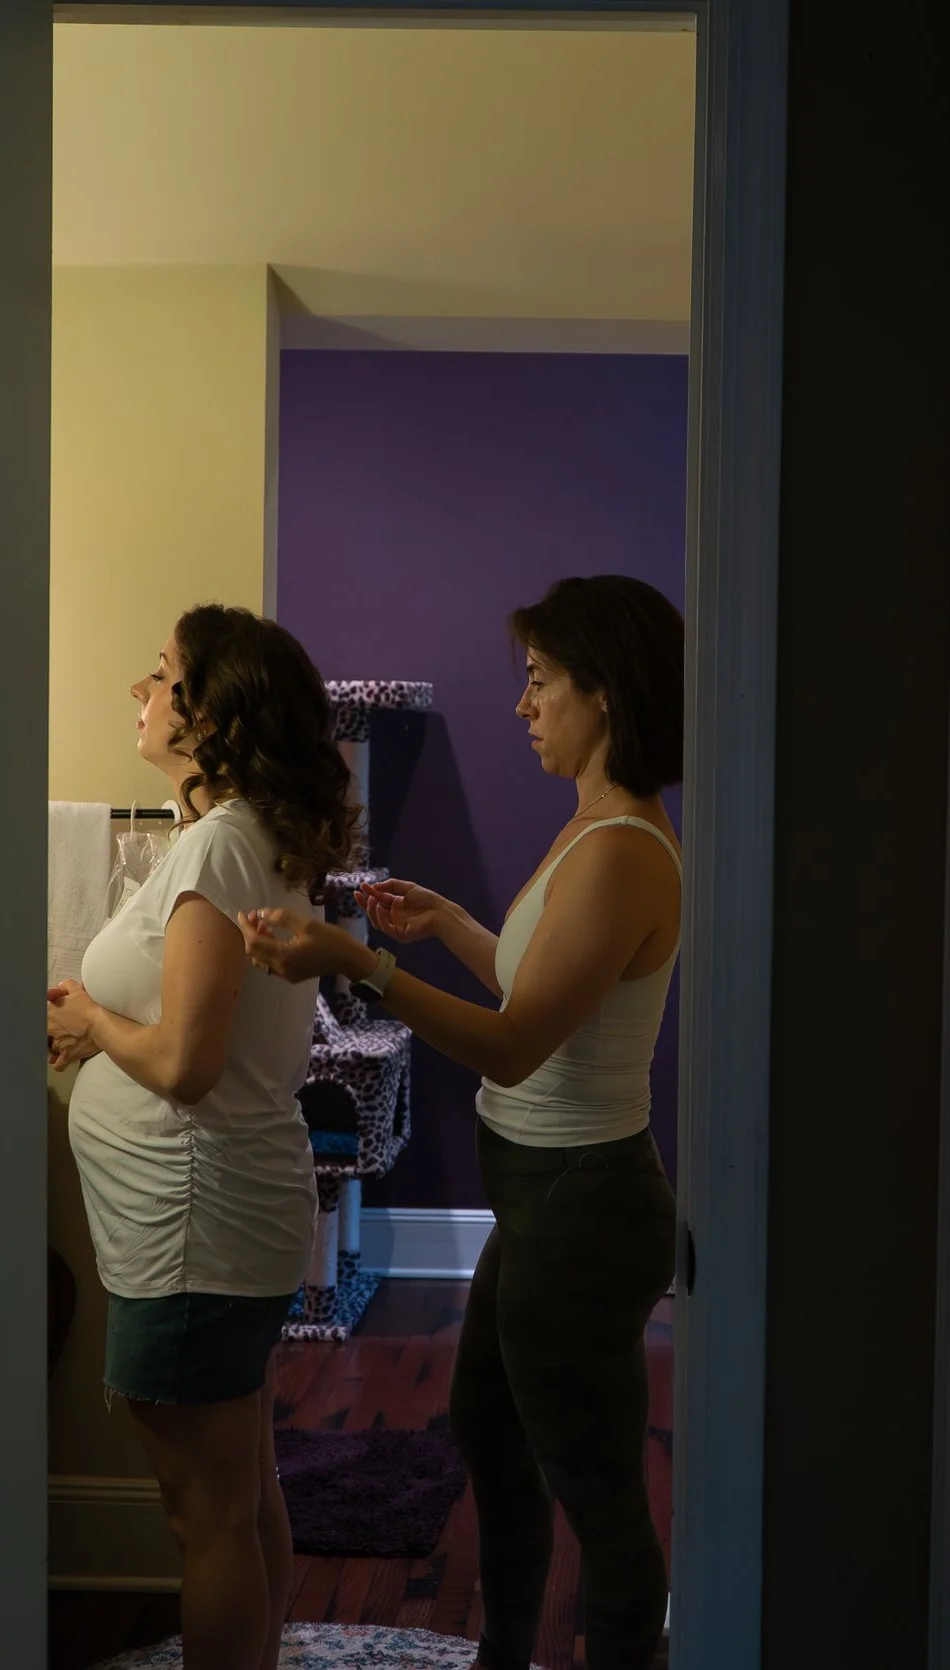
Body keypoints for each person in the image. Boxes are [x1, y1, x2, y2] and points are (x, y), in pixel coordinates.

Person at [238, 574, 684, 1670]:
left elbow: (514, 1040)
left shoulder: (624, 847)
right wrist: (451, 926)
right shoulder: (594, 830)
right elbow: (541, 983)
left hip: (583, 1202)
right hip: (548, 1200)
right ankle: (503, 1657)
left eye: (539, 683)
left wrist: (364, 962)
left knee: (597, 1489)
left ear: (606, 693)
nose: (524, 706)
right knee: (493, 1435)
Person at [45, 604, 359, 1670]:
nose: (140, 688)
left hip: (195, 1229)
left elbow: (186, 1062)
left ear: (210, 709)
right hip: (214, 1219)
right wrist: (98, 1026)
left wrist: (91, 1023)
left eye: (162, 672)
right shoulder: (234, 836)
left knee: (206, 1512)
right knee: (241, 1485)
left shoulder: (221, 847)